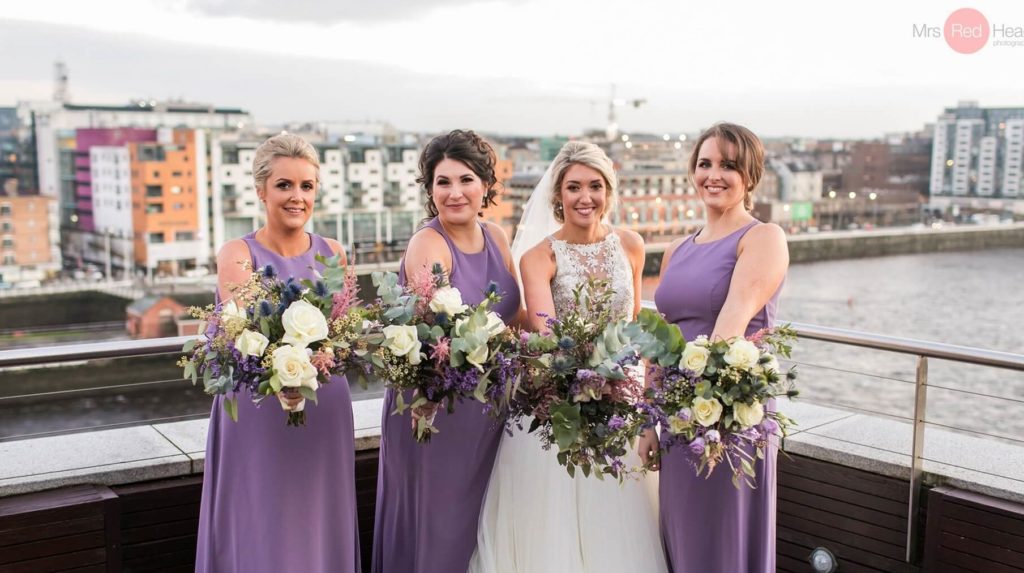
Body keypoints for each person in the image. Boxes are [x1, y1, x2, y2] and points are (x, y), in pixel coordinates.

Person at [469, 141, 667, 573]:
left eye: (595, 186)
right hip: (557, 407)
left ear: (608, 191)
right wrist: (588, 379)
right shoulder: (540, 257)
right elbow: (547, 334)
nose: (585, 197)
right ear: (558, 194)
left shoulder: (631, 245)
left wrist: (623, 387)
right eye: (574, 187)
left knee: (618, 526)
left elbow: (632, 324)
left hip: (619, 404)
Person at [195, 134, 360, 572]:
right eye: (285, 185)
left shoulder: (333, 253)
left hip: (324, 405)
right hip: (259, 408)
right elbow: (244, 331)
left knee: (317, 517)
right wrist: (284, 376)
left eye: (307, 186)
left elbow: (346, 332)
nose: (297, 197)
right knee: (261, 520)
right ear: (261, 190)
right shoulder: (238, 253)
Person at [371, 130, 522, 573]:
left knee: (480, 524)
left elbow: (516, 319)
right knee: (443, 524)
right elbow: (423, 334)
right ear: (430, 189)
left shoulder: (497, 235)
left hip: (488, 405)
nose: (455, 193)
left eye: (466, 179)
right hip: (436, 406)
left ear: (486, 186)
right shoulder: (430, 243)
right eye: (443, 182)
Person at [644, 122, 788, 573]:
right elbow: (660, 337)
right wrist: (651, 419)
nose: (714, 175)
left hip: (726, 412)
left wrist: (695, 401)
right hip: (675, 412)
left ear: (750, 175)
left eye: (728, 165)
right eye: (704, 163)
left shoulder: (762, 237)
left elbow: (731, 323)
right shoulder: (676, 250)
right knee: (680, 534)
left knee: (722, 538)